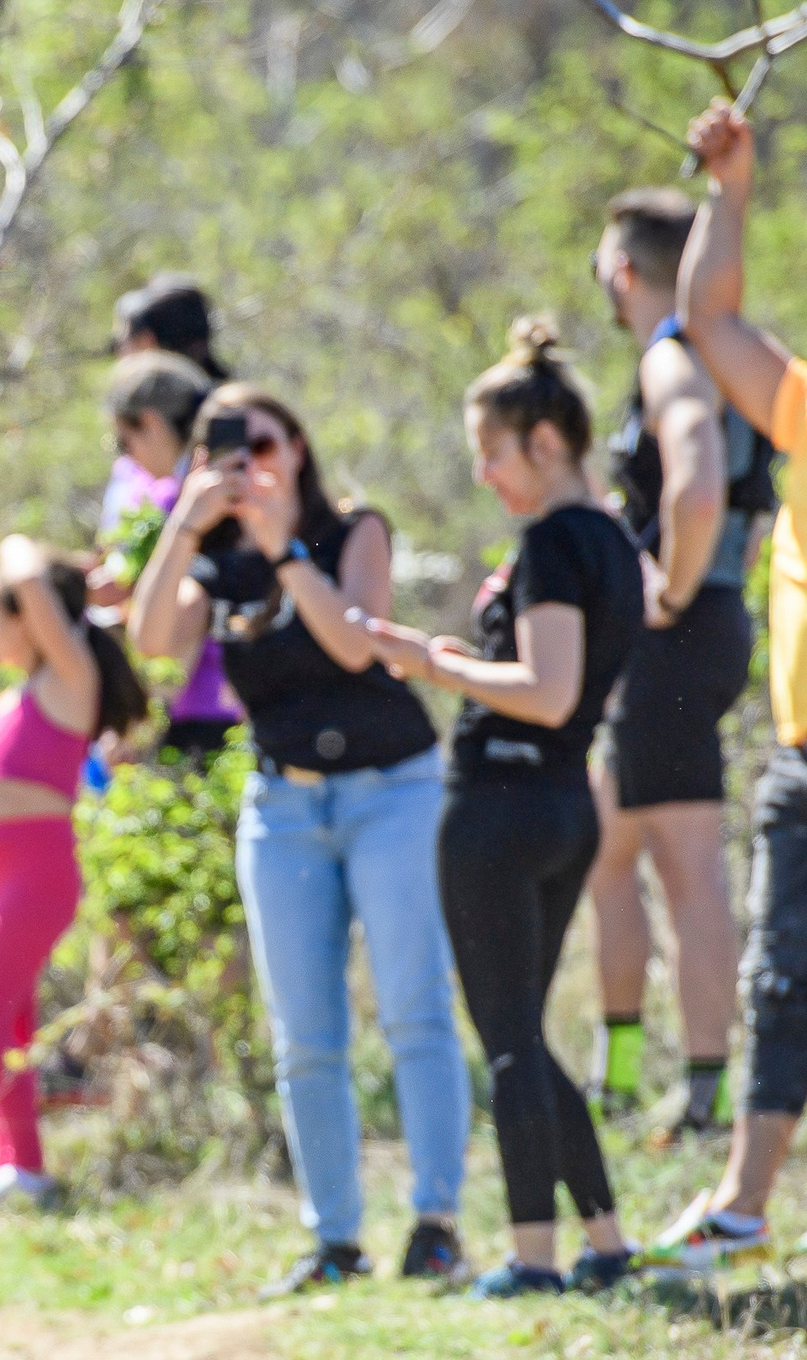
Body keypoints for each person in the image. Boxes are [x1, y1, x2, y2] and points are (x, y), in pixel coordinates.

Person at [129, 384, 471, 1296]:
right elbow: (155, 639)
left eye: (268, 442)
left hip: (392, 789)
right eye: (229, 449)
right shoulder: (213, 555)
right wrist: (186, 527)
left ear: (302, 445)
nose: (253, 463)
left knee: (413, 1007)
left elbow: (355, 646)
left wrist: (283, 544)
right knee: (305, 1035)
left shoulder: (352, 528)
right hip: (284, 807)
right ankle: (336, 1240)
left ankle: (437, 1222)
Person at [363, 322, 640, 1299]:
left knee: (510, 1038)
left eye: (491, 451)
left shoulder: (554, 542)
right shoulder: (610, 538)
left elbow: (548, 687)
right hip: (565, 806)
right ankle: (604, 1240)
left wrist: (431, 662)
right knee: (525, 1031)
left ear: (546, 442)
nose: (483, 474)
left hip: (501, 807)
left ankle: (533, 1258)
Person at [640, 103, 807, 1269]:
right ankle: (744, 1208)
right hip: (802, 758)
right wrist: (729, 187)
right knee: (779, 974)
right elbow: (703, 316)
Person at [584, 188, 766, 1134]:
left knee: (688, 869)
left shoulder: (671, 357)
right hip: (696, 638)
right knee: (611, 852)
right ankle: (619, 1073)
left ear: (624, 272)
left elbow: (695, 485)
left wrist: (670, 587)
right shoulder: (718, 354)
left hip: (682, 637)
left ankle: (706, 1094)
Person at [0, 539, 149, 1215]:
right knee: (6, 1024)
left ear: (29, 619)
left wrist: (28, 552)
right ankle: (8, 1167)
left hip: (38, 880)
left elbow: (24, 569)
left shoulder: (69, 680)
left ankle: (26, 1170)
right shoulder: (5, 704)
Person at [98, 344, 241, 759]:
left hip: (191, 717)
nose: (130, 459)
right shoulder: (241, 486)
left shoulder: (177, 504)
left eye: (124, 442)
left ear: (151, 425)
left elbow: (180, 619)